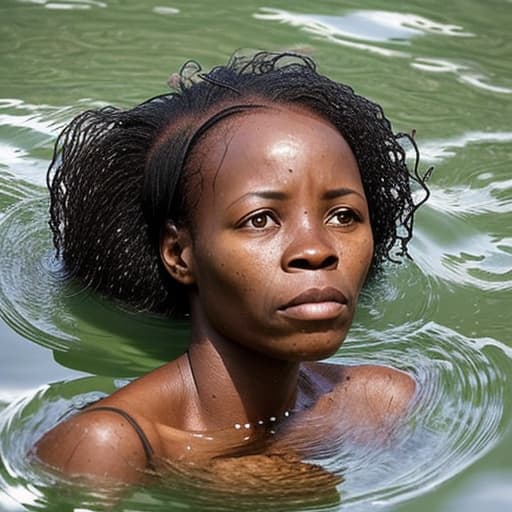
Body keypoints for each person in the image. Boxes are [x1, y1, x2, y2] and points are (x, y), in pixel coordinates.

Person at [35, 51, 430, 487]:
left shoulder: (384, 402)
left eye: (343, 216)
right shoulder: (106, 444)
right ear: (179, 254)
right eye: (260, 219)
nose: (317, 250)